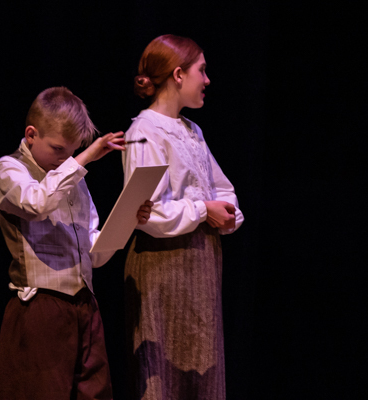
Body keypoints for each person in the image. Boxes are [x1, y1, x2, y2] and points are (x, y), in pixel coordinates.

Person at [0, 86, 153, 400]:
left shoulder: (70, 175)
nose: (64, 159)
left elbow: (92, 253)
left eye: (71, 151)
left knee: (96, 393)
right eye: (57, 149)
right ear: (31, 135)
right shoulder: (9, 169)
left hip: (84, 305)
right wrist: (85, 157)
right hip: (41, 307)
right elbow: (35, 204)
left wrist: (128, 220)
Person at [122, 34, 244, 400]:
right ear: (178, 74)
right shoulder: (144, 132)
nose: (207, 80)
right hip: (163, 268)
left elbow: (223, 188)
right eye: (201, 71)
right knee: (165, 383)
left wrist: (225, 213)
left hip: (201, 266)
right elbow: (146, 212)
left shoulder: (193, 131)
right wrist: (201, 210)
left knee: (203, 379)